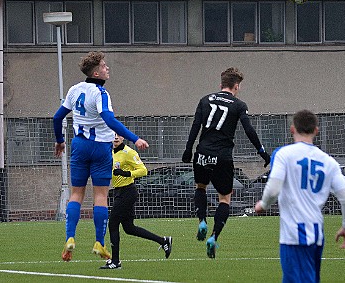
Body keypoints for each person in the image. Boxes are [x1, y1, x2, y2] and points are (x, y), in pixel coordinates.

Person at [53, 51, 149, 262]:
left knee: (76, 194)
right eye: (105, 66)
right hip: (100, 149)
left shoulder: (74, 89)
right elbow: (109, 119)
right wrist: (134, 137)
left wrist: (60, 141)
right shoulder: (100, 93)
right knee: (100, 197)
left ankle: (70, 237)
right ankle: (99, 242)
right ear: (96, 72)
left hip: (79, 146)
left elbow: (58, 116)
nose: (107, 69)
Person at [255, 110, 345, 283]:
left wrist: (263, 205)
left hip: (296, 234)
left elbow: (273, 188)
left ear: (292, 129)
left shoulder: (283, 154)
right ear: (316, 130)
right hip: (316, 233)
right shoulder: (328, 161)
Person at [182, 67, 271, 258]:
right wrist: (262, 152)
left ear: (221, 84)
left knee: (201, 187)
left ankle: (202, 221)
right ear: (236, 86)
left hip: (203, 153)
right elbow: (249, 130)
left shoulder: (205, 100)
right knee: (225, 198)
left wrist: (188, 150)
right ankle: (213, 237)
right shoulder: (238, 105)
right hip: (222, 155)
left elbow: (195, 126)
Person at [100, 134, 172, 269]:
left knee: (113, 223)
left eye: (119, 135)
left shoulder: (128, 152)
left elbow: (143, 170)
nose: (116, 137)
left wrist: (127, 174)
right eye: (113, 135)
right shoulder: (109, 151)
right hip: (118, 192)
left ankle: (115, 261)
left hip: (128, 192)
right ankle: (163, 241)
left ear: (123, 137)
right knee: (129, 228)